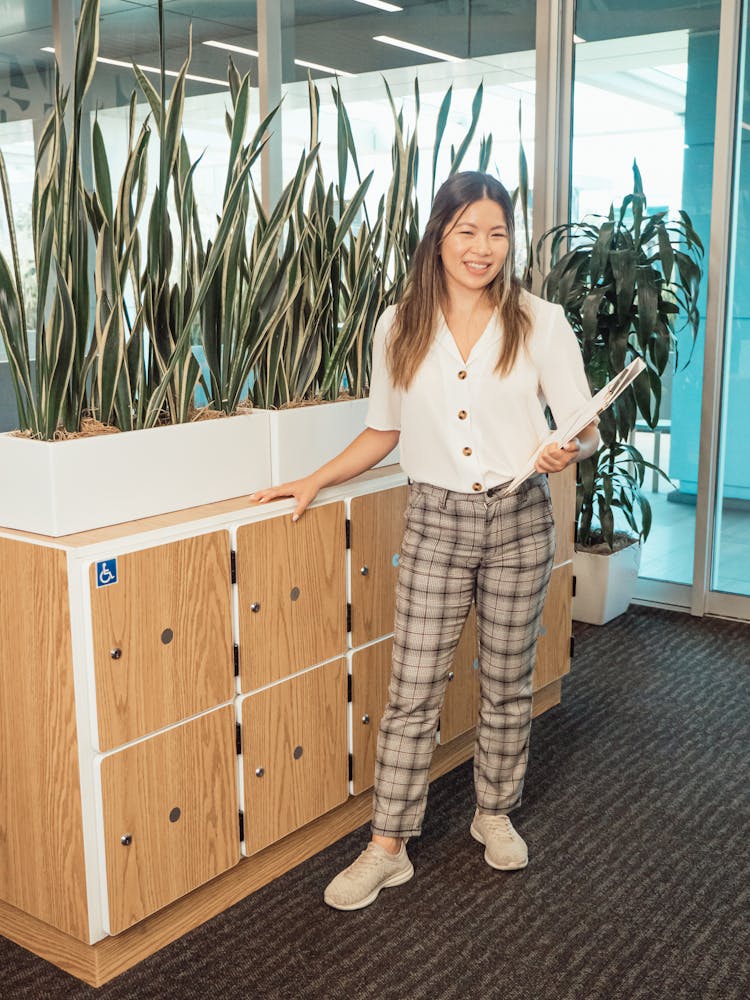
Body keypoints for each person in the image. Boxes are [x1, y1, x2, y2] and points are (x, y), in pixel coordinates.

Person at [251, 170, 599, 911]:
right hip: (436, 520)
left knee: (506, 681)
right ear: (439, 235)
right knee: (413, 690)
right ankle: (388, 845)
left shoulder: (542, 320)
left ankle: (493, 811)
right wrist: (313, 480)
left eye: (497, 232)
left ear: (512, 239)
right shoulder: (399, 323)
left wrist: (566, 447)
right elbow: (385, 430)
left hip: (518, 520)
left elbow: (584, 424)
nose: (483, 248)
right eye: (467, 231)